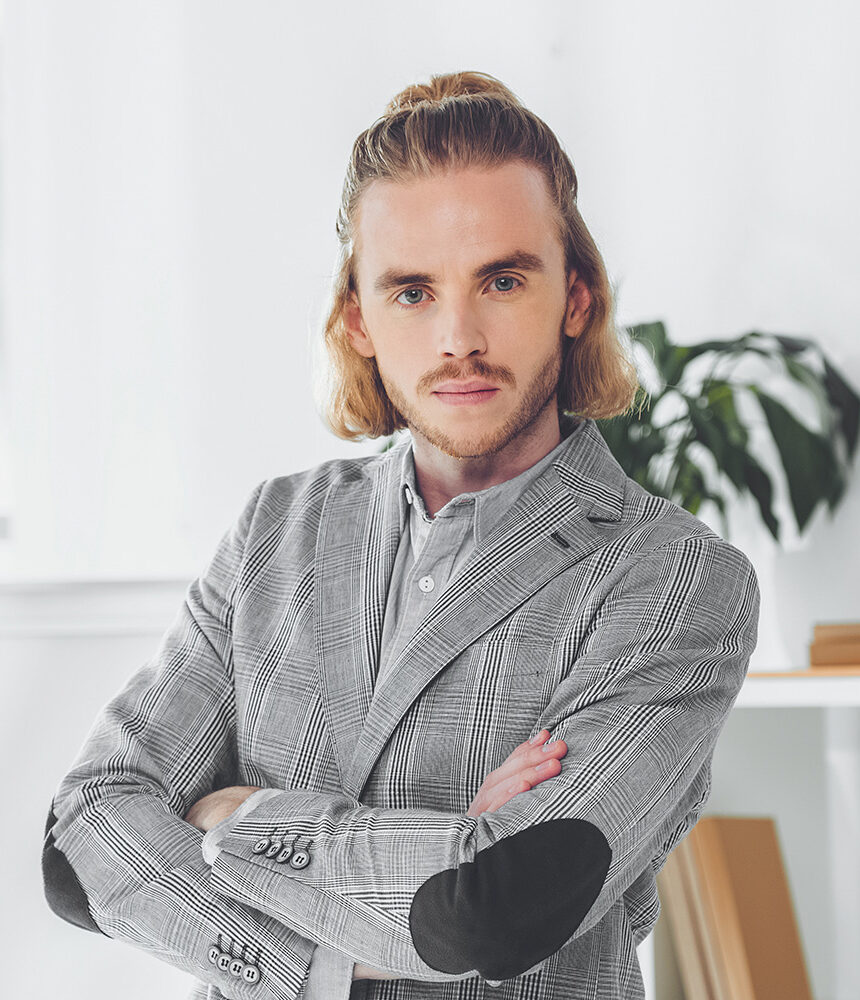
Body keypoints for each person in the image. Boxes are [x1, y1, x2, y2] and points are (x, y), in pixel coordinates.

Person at [43, 71, 760, 1000]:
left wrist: (237, 819)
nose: (458, 337)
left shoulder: (673, 576)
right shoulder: (274, 531)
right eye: (413, 291)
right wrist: (377, 916)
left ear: (576, 298)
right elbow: (81, 841)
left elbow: (495, 911)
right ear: (360, 319)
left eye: (503, 280)